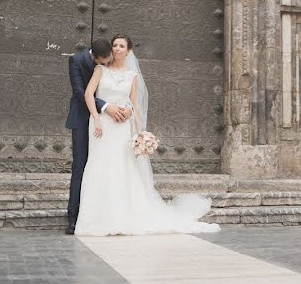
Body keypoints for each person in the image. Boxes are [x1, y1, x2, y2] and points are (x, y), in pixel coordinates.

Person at [74, 34, 219, 236]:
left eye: (121, 46)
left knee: (122, 169)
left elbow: (135, 104)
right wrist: (97, 118)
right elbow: (89, 94)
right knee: (99, 166)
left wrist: (140, 131)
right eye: (114, 45)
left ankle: (122, 217)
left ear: (128, 51)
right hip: (102, 126)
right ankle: (95, 220)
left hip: (122, 127)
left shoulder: (132, 76)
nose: (117, 49)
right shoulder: (100, 70)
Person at [65, 38, 132, 235]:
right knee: (80, 166)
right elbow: (80, 93)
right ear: (94, 57)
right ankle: (73, 216)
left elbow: (124, 91)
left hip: (109, 124)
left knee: (106, 168)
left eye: (109, 59)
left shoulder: (109, 58)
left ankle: (104, 213)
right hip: (82, 118)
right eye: (102, 62)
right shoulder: (76, 61)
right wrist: (105, 106)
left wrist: (124, 108)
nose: (106, 63)